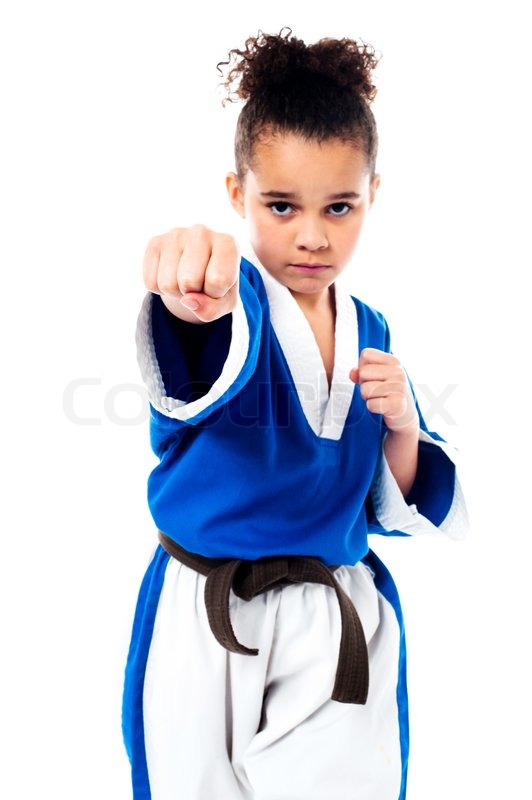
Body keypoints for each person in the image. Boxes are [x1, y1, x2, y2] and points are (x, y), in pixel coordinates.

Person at [122, 28, 468, 800]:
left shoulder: (371, 328)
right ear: (237, 193)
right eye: (281, 205)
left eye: (339, 206)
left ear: (372, 195)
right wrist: (189, 295)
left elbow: (388, 499)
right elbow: (196, 357)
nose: (311, 236)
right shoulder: (228, 299)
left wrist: (405, 424)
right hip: (206, 613)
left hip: (333, 617)